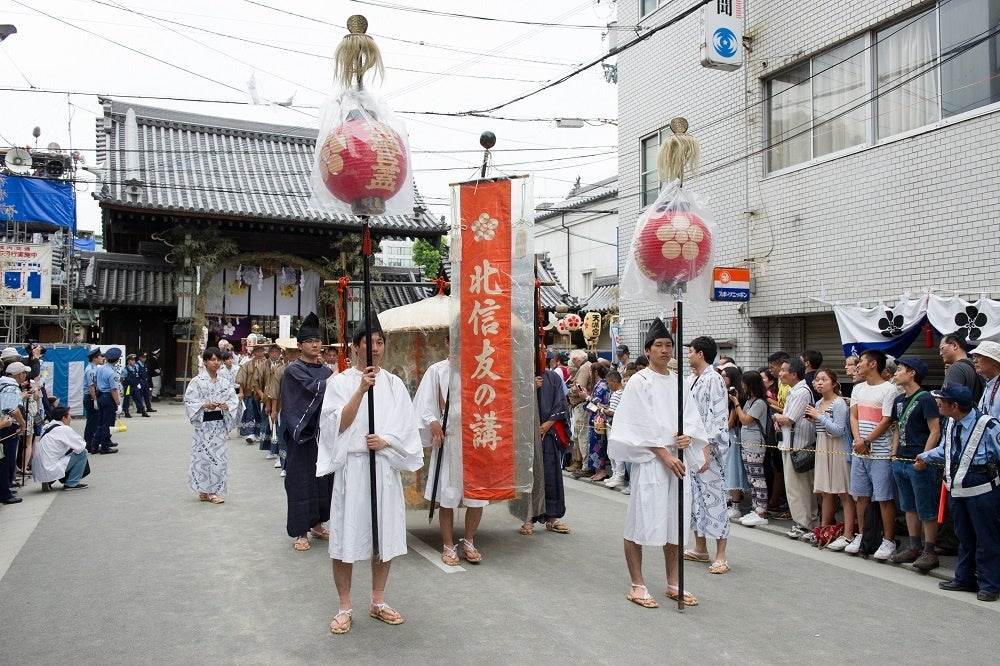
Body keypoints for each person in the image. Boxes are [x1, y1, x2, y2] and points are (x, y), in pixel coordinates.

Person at [318, 314, 423, 634]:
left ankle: (378, 601)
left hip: (384, 467)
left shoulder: (393, 383)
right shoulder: (339, 382)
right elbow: (335, 427)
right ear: (355, 347)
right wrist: (361, 390)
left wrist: (387, 440)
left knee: (385, 535)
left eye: (380, 343)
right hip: (354, 470)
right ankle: (344, 606)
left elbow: (407, 429)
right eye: (370, 343)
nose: (376, 348)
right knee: (346, 538)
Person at [609, 319, 709, 608]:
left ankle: (673, 582)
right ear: (648, 350)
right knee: (640, 521)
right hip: (652, 460)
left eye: (669, 345)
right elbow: (637, 423)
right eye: (659, 346)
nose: (665, 350)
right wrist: (663, 453)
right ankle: (637, 584)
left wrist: (686, 437)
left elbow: (690, 417)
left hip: (677, 461)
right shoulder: (640, 381)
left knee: (675, 522)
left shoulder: (679, 381)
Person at [915, 383, 1000, 602]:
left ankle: (990, 584)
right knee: (964, 536)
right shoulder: (950, 422)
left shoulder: (989, 425)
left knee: (986, 537)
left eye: (942, 400)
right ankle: (964, 578)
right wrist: (925, 456)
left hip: (982, 488)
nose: (938, 403)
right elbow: (945, 450)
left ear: (954, 405)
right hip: (958, 487)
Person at [415, 344, 489, 564]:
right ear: (447, 342)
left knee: (477, 496)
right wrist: (433, 421)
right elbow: (423, 404)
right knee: (447, 495)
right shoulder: (437, 370)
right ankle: (448, 545)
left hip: (475, 437)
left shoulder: (480, 368)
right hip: (450, 437)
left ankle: (469, 540)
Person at [280, 314, 335, 551]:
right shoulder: (293, 370)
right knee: (301, 482)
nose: (315, 344)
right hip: (302, 435)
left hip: (323, 437)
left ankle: (317, 524)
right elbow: (310, 392)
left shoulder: (325, 371)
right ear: (300, 345)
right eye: (310, 340)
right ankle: (301, 531)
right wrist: (335, 380)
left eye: (317, 340)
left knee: (323, 481)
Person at [886, 358, 941, 570]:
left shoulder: (926, 398)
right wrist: (893, 454)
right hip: (901, 459)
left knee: (925, 507)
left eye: (899, 370)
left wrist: (925, 457)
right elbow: (897, 427)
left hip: (919, 461)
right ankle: (914, 546)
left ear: (912, 373)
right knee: (908, 506)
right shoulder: (899, 399)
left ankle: (930, 551)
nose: (895, 373)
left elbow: (934, 430)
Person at [685, 336, 731, 574]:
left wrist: (707, 446)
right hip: (692, 447)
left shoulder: (713, 379)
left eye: (691, 351)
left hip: (708, 449)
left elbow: (718, 416)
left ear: (701, 354)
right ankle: (700, 546)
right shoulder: (694, 379)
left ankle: (721, 554)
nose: (689, 355)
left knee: (714, 498)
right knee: (695, 499)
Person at [845, 349, 898, 558]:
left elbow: (887, 420)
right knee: (861, 496)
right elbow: (853, 416)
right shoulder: (858, 388)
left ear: (873, 364)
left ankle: (888, 540)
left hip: (881, 452)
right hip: (860, 451)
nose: (858, 365)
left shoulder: (889, 389)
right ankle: (863, 536)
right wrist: (858, 441)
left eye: (861, 361)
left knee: (884, 497)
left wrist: (867, 440)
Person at [805, 368, 856, 549]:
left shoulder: (839, 403)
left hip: (838, 448)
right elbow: (822, 429)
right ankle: (824, 529)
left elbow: (839, 430)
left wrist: (820, 417)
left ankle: (849, 533)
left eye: (824, 379)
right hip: (822, 447)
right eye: (817, 379)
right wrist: (816, 419)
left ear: (834, 383)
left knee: (843, 491)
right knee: (825, 491)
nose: (819, 382)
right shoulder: (818, 402)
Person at [185, 347, 238, 504]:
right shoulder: (197, 381)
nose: (216, 363)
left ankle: (213, 491)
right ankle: (204, 490)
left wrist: (227, 406)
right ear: (206, 362)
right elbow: (189, 401)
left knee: (218, 458)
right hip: (203, 425)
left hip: (218, 424)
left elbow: (233, 400)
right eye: (212, 360)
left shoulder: (224, 382)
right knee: (202, 458)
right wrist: (204, 405)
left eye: (218, 360)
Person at [774, 359, 819, 539]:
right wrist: (780, 419)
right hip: (791, 444)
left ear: (794, 374)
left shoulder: (801, 392)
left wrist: (776, 417)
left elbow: (789, 418)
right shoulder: (796, 391)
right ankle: (807, 521)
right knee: (799, 487)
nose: (780, 373)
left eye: (783, 370)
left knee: (798, 487)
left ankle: (804, 523)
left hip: (797, 446)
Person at [733, 371, 770, 526]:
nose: (742, 386)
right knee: (752, 478)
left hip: (755, 445)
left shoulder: (760, 403)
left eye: (744, 383)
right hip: (747, 444)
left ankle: (761, 511)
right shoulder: (750, 400)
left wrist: (736, 403)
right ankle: (755, 508)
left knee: (757, 478)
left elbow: (745, 420)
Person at [33, 406, 90, 491]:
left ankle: (49, 480)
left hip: (38, 469)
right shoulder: (63, 429)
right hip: (50, 468)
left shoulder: (46, 426)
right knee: (83, 452)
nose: (70, 418)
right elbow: (81, 446)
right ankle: (71, 483)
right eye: (69, 416)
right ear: (63, 418)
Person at [0, 361, 29, 505]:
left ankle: (5, 488)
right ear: (19, 374)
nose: (25, 376)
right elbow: (13, 410)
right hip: (7, 426)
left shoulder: (3, 384)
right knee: (6, 460)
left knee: (5, 459)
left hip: (4, 426)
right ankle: (5, 492)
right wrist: (23, 424)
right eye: (24, 373)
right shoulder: (11, 388)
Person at [565, 349, 593, 473]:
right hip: (580, 406)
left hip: (581, 405)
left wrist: (569, 391)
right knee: (579, 436)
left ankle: (586, 466)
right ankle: (584, 464)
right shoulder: (586, 366)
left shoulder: (584, 368)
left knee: (582, 436)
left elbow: (579, 387)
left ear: (576, 360)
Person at [939, 332, 986, 403]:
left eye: (942, 348)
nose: (940, 353)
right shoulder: (976, 365)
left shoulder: (956, 368)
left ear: (954, 345)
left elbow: (948, 402)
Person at [236, 342, 268, 444]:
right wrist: (241, 392)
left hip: (262, 393)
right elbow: (242, 378)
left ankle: (258, 433)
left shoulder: (267, 364)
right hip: (249, 392)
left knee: (260, 414)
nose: (259, 353)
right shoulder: (247, 364)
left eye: (261, 351)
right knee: (250, 412)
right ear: (253, 352)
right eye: (257, 351)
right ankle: (250, 433)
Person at [93, 348, 122, 454]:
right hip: (108, 398)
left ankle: (95, 444)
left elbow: (95, 382)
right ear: (117, 360)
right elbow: (113, 390)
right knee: (108, 423)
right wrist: (118, 403)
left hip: (100, 396)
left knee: (100, 422)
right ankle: (105, 446)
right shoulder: (112, 373)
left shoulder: (100, 368)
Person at [972, 340, 1000, 420]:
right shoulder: (989, 384)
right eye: (974, 356)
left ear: (994, 360)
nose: (975, 360)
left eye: (979, 356)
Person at [83, 348, 103, 453]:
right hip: (90, 397)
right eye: (100, 356)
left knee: (94, 421)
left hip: (93, 396)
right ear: (95, 358)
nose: (102, 358)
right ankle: (89, 443)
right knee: (91, 421)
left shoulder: (95, 368)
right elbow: (91, 386)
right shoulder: (90, 369)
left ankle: (93, 442)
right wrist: (95, 399)